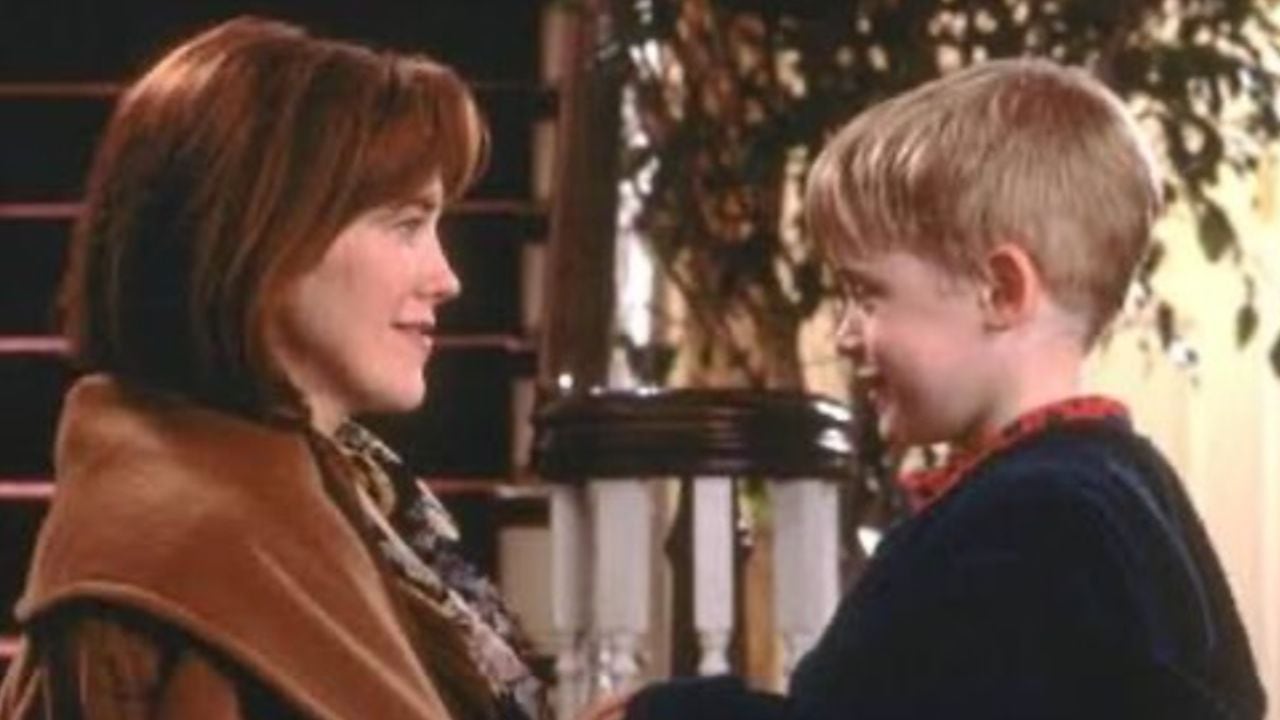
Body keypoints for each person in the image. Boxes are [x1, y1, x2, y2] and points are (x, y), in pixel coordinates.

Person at [592, 58, 1266, 719]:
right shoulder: (1130, 481)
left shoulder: (1026, 519)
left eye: (867, 295)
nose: (845, 334)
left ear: (1000, 290)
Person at [0, 16, 545, 720]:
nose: (447, 279)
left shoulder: (351, 488)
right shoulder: (177, 553)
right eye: (406, 225)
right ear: (264, 240)